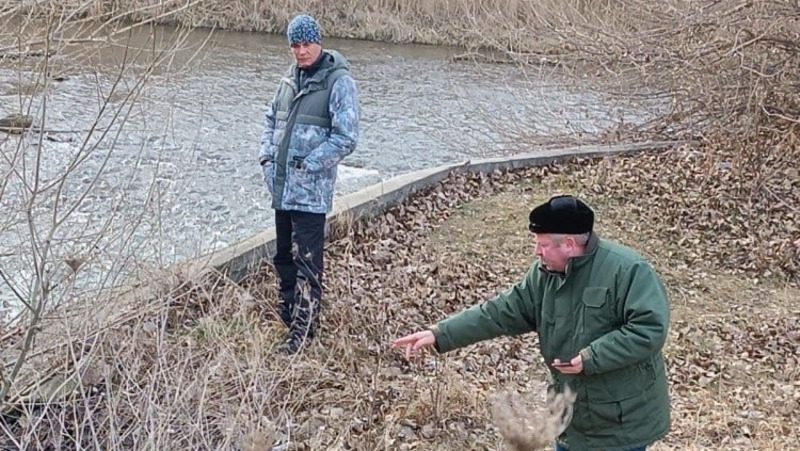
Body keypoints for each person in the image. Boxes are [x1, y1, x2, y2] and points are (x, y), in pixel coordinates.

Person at [393, 195, 671, 451]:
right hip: (569, 418)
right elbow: (499, 311)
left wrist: (591, 357)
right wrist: (440, 333)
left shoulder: (629, 270)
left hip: (621, 424)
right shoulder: (543, 275)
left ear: (570, 245)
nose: (536, 251)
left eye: (543, 244)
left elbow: (649, 330)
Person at [259, 14, 360, 354]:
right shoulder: (288, 80)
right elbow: (271, 119)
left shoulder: (339, 82)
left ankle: (303, 331)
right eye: (295, 45)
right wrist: (266, 158)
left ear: (319, 42)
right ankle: (289, 316)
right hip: (282, 188)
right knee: (283, 258)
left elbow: (346, 138)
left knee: (307, 263)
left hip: (311, 194)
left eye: (306, 44)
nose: (301, 51)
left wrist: (308, 164)